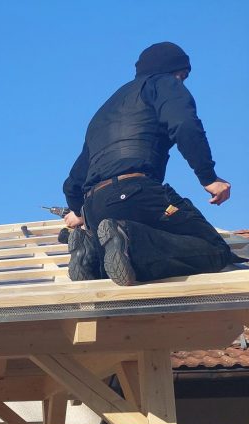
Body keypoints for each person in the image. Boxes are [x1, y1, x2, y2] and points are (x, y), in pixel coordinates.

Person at [62, 42, 238, 285]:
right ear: (173, 71)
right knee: (215, 250)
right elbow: (185, 125)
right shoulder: (163, 83)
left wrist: (79, 212)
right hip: (135, 193)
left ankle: (92, 257)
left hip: (95, 206)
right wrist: (208, 177)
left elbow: (73, 181)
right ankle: (128, 239)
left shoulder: (104, 112)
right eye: (183, 75)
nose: (182, 81)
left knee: (118, 260)